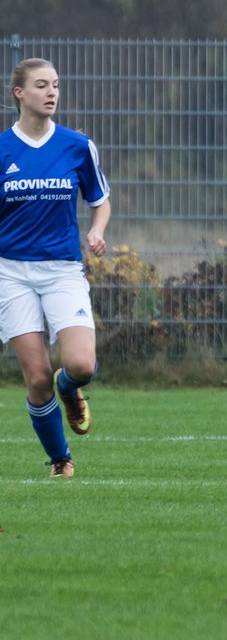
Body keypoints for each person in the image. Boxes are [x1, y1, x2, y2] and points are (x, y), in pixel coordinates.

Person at [1, 58, 111, 478]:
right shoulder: (2, 151)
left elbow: (99, 199)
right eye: (42, 85)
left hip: (63, 269)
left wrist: (97, 231)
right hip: (11, 273)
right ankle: (61, 460)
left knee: (80, 366)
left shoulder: (76, 145)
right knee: (36, 377)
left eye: (56, 85)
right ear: (19, 94)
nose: (51, 93)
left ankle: (71, 390)